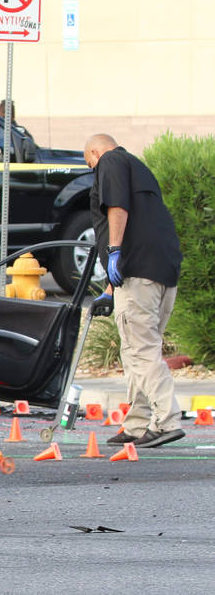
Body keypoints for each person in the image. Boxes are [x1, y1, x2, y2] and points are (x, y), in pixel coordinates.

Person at [84, 133, 184, 448]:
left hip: (137, 274)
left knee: (140, 352)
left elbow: (116, 205)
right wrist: (111, 289)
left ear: (96, 153)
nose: (92, 170)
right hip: (162, 274)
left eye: (90, 164)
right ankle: (139, 425)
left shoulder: (111, 160)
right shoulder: (140, 168)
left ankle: (166, 420)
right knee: (137, 352)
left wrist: (113, 250)